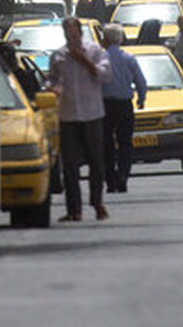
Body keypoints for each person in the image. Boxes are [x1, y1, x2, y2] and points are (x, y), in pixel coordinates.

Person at [47, 18, 113, 222]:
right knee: (70, 165)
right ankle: (74, 209)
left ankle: (97, 203)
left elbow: (106, 75)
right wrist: (52, 87)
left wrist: (84, 61)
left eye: (74, 34)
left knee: (96, 162)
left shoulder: (94, 51)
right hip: (68, 115)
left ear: (81, 33)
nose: (72, 38)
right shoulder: (59, 55)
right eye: (68, 34)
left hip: (91, 113)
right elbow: (51, 77)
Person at [100, 24, 146, 194]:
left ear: (106, 39)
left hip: (105, 106)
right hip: (124, 105)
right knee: (125, 142)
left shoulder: (100, 58)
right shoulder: (129, 59)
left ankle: (111, 179)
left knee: (107, 144)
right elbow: (141, 82)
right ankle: (123, 176)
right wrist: (141, 99)